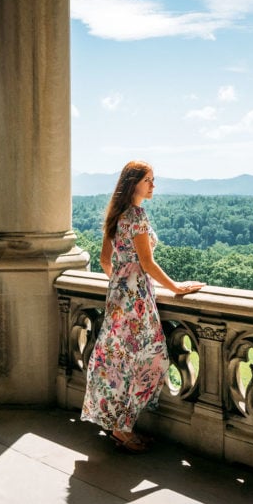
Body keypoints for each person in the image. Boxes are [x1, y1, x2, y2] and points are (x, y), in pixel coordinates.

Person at [81, 160, 205, 453]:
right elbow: (147, 263)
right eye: (148, 179)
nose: (153, 185)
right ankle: (122, 428)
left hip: (117, 298)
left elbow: (105, 261)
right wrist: (176, 287)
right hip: (136, 301)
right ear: (133, 182)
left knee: (118, 360)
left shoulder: (116, 214)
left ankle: (119, 425)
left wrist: (120, 284)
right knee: (152, 359)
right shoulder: (136, 215)